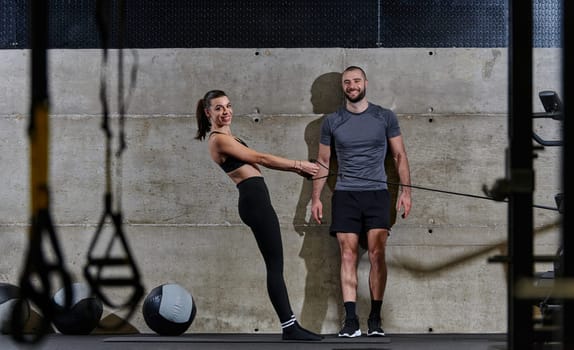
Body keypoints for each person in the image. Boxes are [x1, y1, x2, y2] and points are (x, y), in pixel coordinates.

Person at [195, 90, 322, 341]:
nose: (226, 111)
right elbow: (260, 158)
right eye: (219, 108)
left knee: (276, 265)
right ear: (208, 112)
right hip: (254, 203)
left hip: (256, 201)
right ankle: (290, 327)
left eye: (228, 106)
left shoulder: (230, 137)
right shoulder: (218, 139)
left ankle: (291, 325)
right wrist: (299, 166)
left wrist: (299, 169)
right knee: (275, 267)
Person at [311, 66, 412, 338]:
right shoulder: (332, 121)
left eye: (356, 81)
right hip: (345, 194)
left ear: (365, 83)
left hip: (378, 193)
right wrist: (315, 197)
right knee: (347, 255)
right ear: (343, 87)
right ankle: (351, 321)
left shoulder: (384, 116)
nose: (352, 85)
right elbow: (322, 162)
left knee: (378, 254)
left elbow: (399, 156)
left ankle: (375, 320)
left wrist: (406, 192)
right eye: (347, 82)